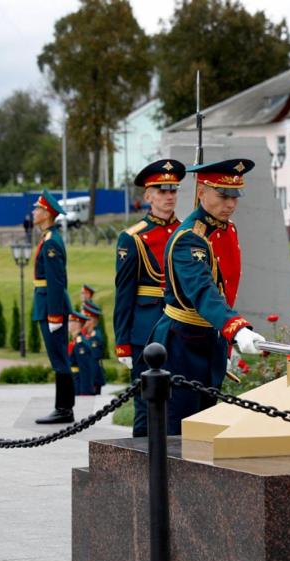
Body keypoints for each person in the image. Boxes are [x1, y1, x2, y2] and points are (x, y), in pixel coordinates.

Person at [149, 158, 265, 434]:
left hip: (209, 340)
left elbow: (228, 286)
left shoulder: (228, 229)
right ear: (201, 192)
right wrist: (235, 329)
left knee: (205, 428)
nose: (231, 203)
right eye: (223, 195)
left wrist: (224, 339)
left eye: (235, 196)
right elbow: (203, 291)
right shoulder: (189, 238)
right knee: (179, 430)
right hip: (182, 343)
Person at [114, 159, 185, 436]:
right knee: (145, 406)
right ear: (148, 196)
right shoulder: (132, 238)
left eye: (173, 191)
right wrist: (122, 343)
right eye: (161, 191)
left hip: (180, 328)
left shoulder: (187, 233)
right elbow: (124, 294)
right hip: (145, 331)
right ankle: (142, 466)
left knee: (178, 401)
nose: (169, 196)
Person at [31, 190, 75, 424]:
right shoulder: (48, 238)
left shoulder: (51, 243)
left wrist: (55, 315)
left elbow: (56, 282)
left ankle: (64, 408)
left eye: (38, 209)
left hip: (51, 306)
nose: (34, 212)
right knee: (57, 357)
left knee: (59, 358)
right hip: (46, 304)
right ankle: (63, 407)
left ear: (47, 213)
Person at [69, 309, 99, 395]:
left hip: (79, 387)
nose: (68, 324)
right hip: (75, 383)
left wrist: (85, 392)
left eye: (70, 321)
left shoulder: (81, 344)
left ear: (77, 324)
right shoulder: (76, 341)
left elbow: (85, 370)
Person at [82, 300, 106, 394]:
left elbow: (93, 360)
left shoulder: (95, 337)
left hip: (93, 378)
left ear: (91, 320)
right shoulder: (88, 335)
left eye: (86, 319)